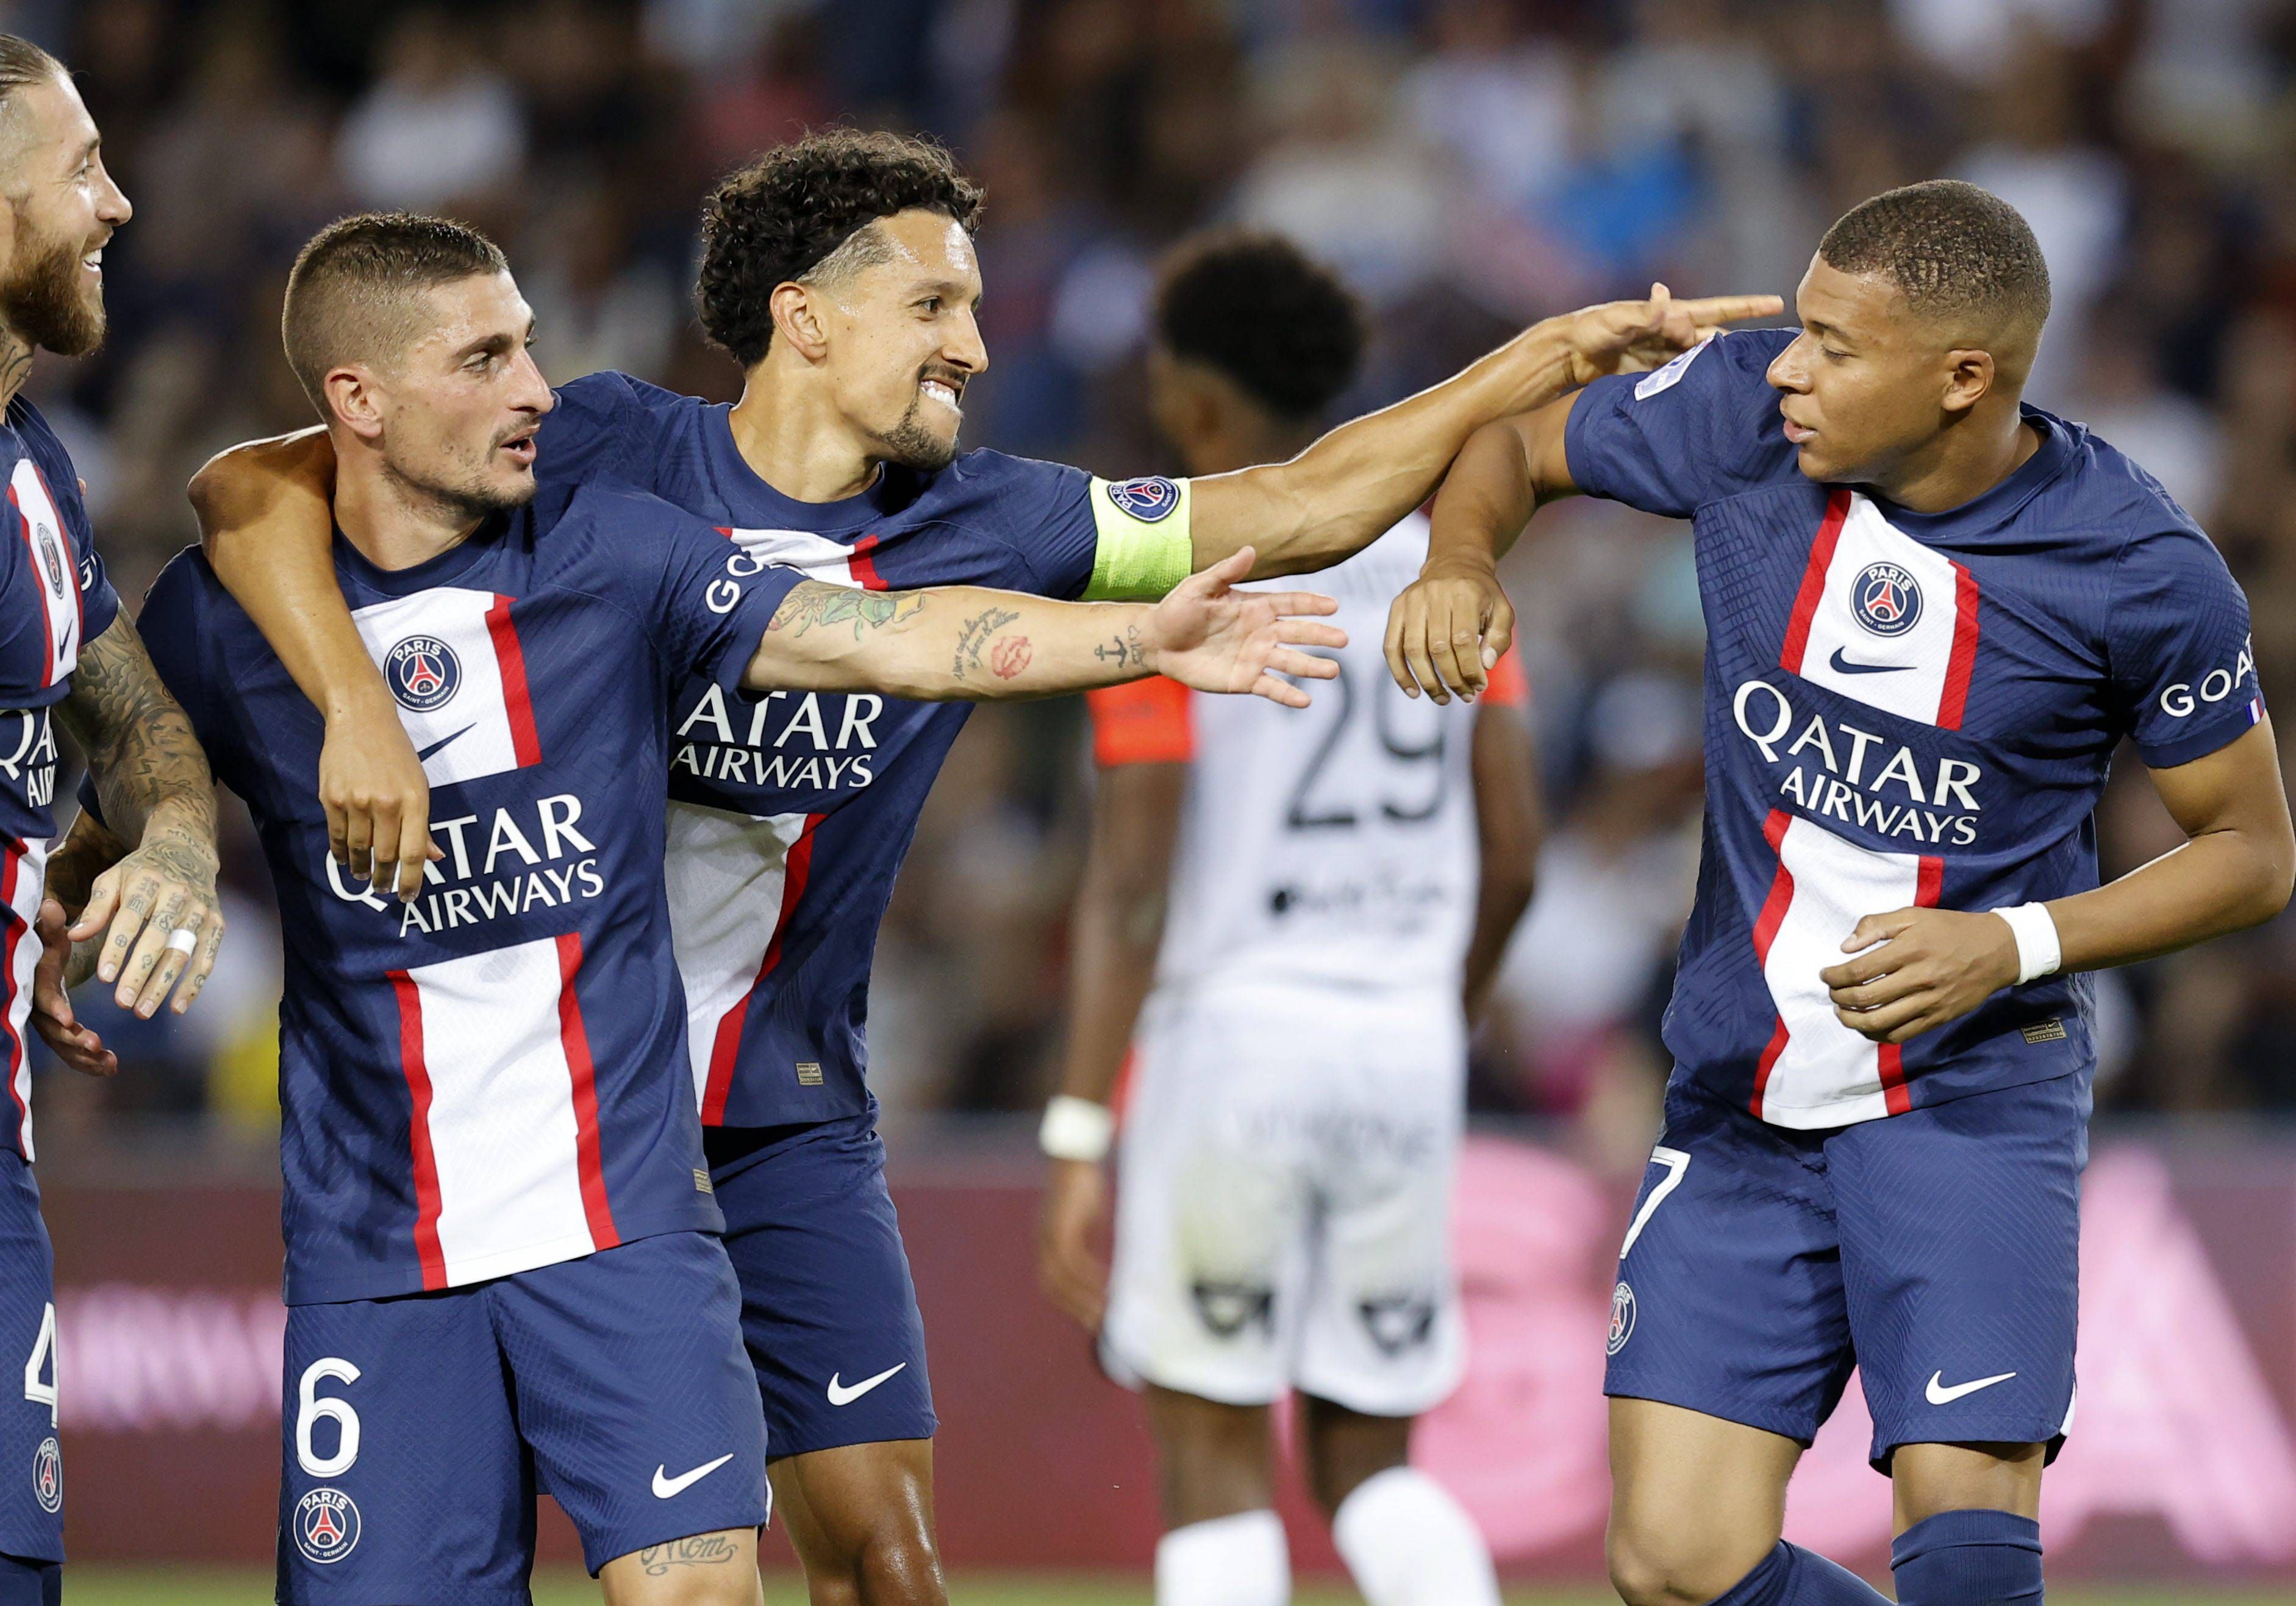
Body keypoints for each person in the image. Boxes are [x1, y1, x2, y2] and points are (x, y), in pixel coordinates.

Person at [180, 131, 1777, 1602]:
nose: (974, 342)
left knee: (884, 1562)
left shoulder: (994, 519)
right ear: (802, 320)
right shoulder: (598, 449)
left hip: (787, 1112)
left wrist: (1538, 361)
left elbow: (1293, 506)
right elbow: (257, 488)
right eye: (932, 302)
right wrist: (349, 712)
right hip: (571, 1107)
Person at [55, 210, 1343, 1606]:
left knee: (700, 1592)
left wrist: (1137, 637)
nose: (536, 389)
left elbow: (877, 634)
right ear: (359, 401)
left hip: (629, 1221)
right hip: (380, 1243)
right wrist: (131, 855)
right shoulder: (235, 619)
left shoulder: (614, 554)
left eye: (529, 349)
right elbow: (133, 733)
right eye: (486, 358)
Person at [1385, 179, 2296, 1606]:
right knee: (1675, 1564)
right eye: (1799, 328)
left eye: (1836, 346)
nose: (1790, 366)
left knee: (1964, 1560)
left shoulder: (2138, 569)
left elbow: (2253, 852)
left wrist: (2008, 943)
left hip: (1966, 1097)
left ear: (1961, 380)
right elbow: (1510, 442)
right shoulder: (1748, 413)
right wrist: (1456, 556)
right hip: (1744, 1095)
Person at [1037, 233, 1543, 1606]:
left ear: (1197, 405)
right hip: (1397, 1041)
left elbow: (1135, 884)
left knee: (1213, 1461)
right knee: (1373, 1462)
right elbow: (1513, 858)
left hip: (1234, 1041)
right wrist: (1432, 1014)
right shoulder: (1448, 561)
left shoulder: (1167, 574)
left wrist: (1081, 1124)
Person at [0, 37, 231, 1606]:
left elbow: (136, 722)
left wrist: (167, 846)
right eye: (79, 168)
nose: (119, 203)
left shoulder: (34, 475)